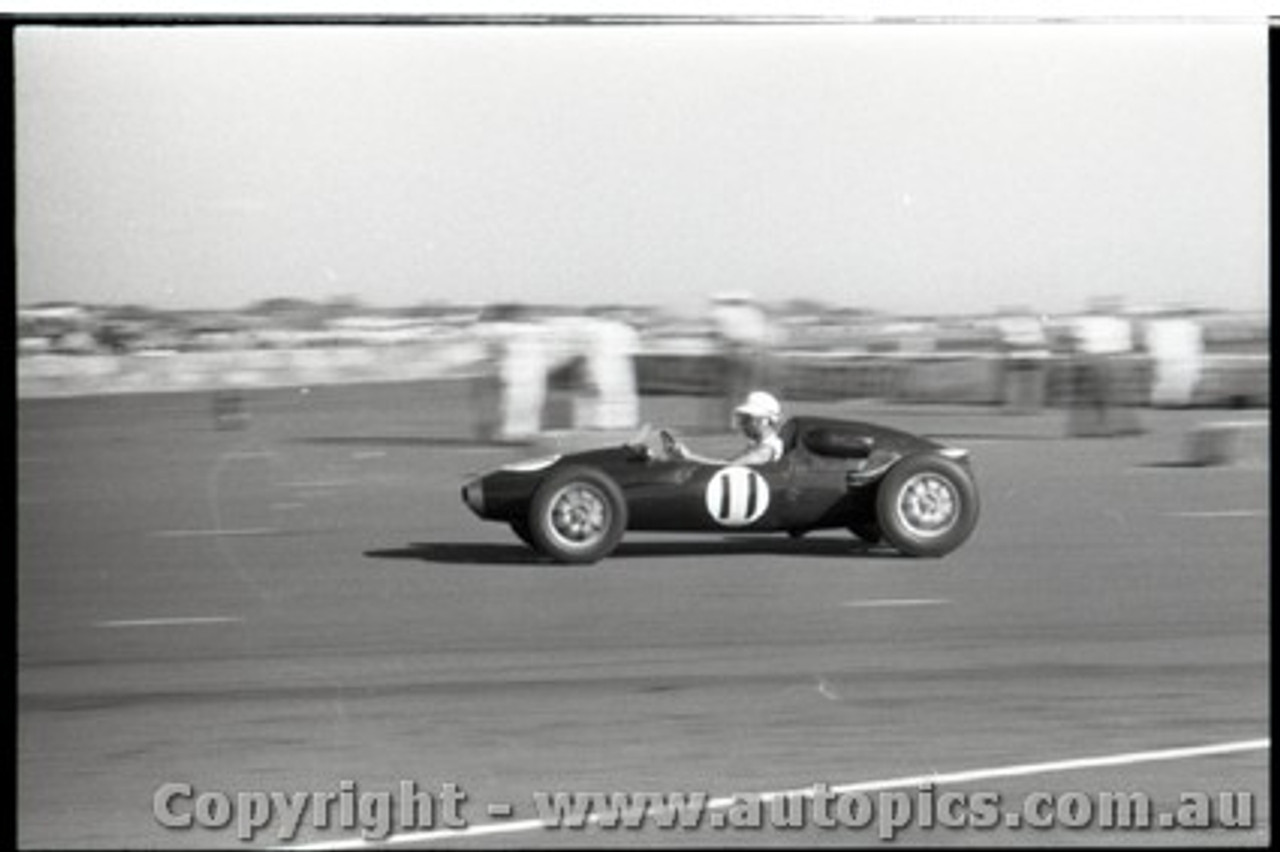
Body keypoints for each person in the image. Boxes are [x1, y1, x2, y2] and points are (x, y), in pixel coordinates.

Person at [664, 390, 785, 465]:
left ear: (764, 421)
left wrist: (690, 457)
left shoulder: (766, 450)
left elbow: (728, 467)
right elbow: (727, 462)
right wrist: (684, 458)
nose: (743, 424)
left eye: (747, 419)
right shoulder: (756, 445)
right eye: (742, 419)